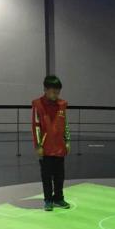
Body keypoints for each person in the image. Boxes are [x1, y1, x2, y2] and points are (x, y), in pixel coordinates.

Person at [31, 75, 71, 211]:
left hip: (59, 147)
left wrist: (67, 141)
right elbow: (36, 126)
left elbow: (65, 124)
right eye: (53, 92)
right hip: (45, 148)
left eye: (57, 92)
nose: (55, 95)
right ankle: (48, 200)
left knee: (60, 176)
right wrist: (38, 145)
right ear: (45, 90)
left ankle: (58, 198)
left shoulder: (62, 105)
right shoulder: (38, 105)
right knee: (46, 176)